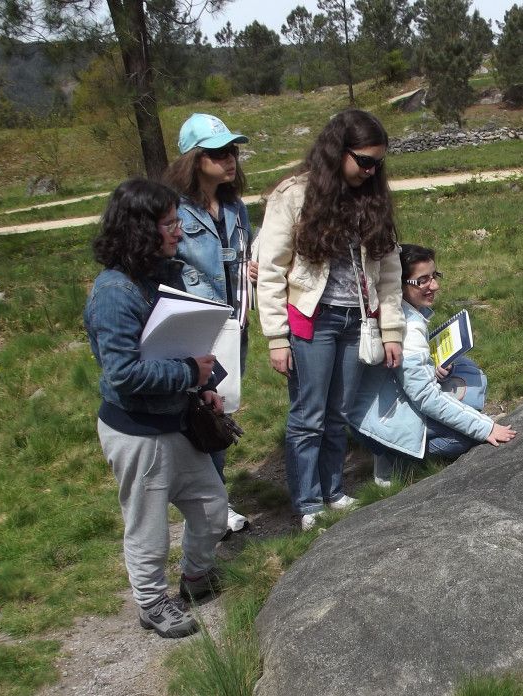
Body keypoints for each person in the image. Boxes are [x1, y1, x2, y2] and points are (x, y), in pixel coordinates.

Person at [84, 178, 228, 639]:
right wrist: (189, 373)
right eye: (168, 224)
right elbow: (123, 375)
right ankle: (151, 603)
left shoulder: (160, 275)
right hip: (136, 433)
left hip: (177, 421)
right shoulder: (114, 294)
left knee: (211, 507)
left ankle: (195, 579)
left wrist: (200, 388)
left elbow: (172, 347)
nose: (179, 233)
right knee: (148, 528)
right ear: (139, 230)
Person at [256, 109, 406, 531]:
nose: (372, 170)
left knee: (339, 412)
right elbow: (270, 270)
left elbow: (389, 271)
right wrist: (276, 338)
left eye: (378, 162)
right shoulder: (293, 195)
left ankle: (333, 491)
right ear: (338, 151)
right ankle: (307, 503)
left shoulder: (373, 197)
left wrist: (391, 329)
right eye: (364, 161)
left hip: (358, 321)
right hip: (312, 320)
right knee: (309, 414)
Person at [350, 244, 517, 486]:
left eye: (434, 276)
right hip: (379, 422)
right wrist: (485, 428)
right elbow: (427, 398)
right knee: (466, 438)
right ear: (399, 284)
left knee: (465, 376)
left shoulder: (394, 314)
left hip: (372, 412)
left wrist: (430, 368)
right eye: (423, 281)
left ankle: (390, 452)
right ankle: (397, 458)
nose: (435, 286)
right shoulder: (408, 331)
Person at [163, 112, 256, 536]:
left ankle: (213, 499)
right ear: (194, 158)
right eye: (217, 152)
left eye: (232, 150)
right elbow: (169, 265)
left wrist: (248, 267)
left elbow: (241, 252)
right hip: (198, 324)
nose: (229, 159)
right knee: (204, 411)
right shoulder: (175, 212)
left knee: (223, 407)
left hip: (235, 322)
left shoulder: (236, 207)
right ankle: (211, 505)